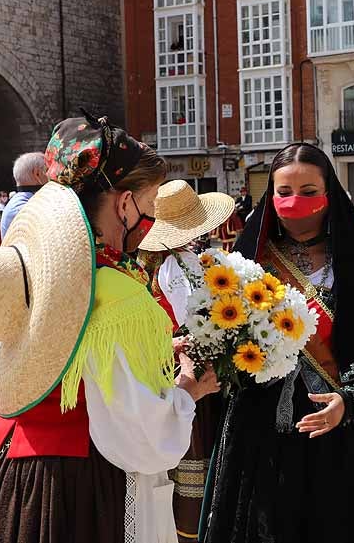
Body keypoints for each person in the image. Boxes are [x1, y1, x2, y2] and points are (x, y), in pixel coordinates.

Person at [0, 114, 220, 543]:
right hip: (76, 486)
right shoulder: (114, 293)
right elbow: (141, 436)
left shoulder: (43, 272)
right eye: (150, 204)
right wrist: (186, 390)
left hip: (2, 469)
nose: (151, 220)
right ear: (124, 204)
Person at [203, 143, 354, 543]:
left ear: (329, 194)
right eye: (283, 192)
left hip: (338, 421)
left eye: (307, 191)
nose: (294, 201)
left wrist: (349, 401)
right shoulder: (250, 260)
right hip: (260, 424)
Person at [138, 179, 235, 543]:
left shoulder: (186, 262)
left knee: (198, 452)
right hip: (189, 371)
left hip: (190, 366)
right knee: (194, 452)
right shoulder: (174, 268)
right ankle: (190, 529)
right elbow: (190, 320)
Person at [0, 152, 49, 238]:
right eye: (47, 170)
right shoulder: (23, 208)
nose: (51, 175)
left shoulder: (22, 201)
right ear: (37, 173)